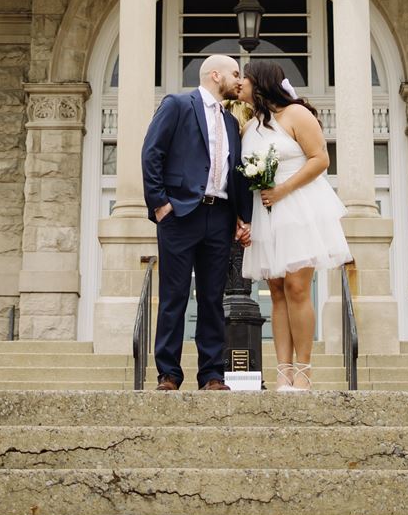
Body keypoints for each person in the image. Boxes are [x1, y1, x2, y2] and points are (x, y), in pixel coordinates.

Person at [140, 51, 254, 391]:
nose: (240, 79)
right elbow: (152, 153)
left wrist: (240, 216)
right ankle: (169, 374)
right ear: (215, 75)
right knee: (174, 295)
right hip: (180, 214)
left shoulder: (232, 122)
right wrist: (160, 205)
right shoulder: (177, 105)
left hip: (218, 217)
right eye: (235, 73)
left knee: (212, 299)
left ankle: (212, 375)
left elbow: (235, 173)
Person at [238, 57, 350, 392]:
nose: (240, 83)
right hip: (266, 213)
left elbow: (320, 159)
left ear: (261, 82)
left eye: (245, 78)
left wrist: (284, 189)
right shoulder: (250, 125)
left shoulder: (297, 114)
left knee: (297, 288)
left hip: (298, 206)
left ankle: (304, 370)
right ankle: (282, 370)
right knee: (274, 291)